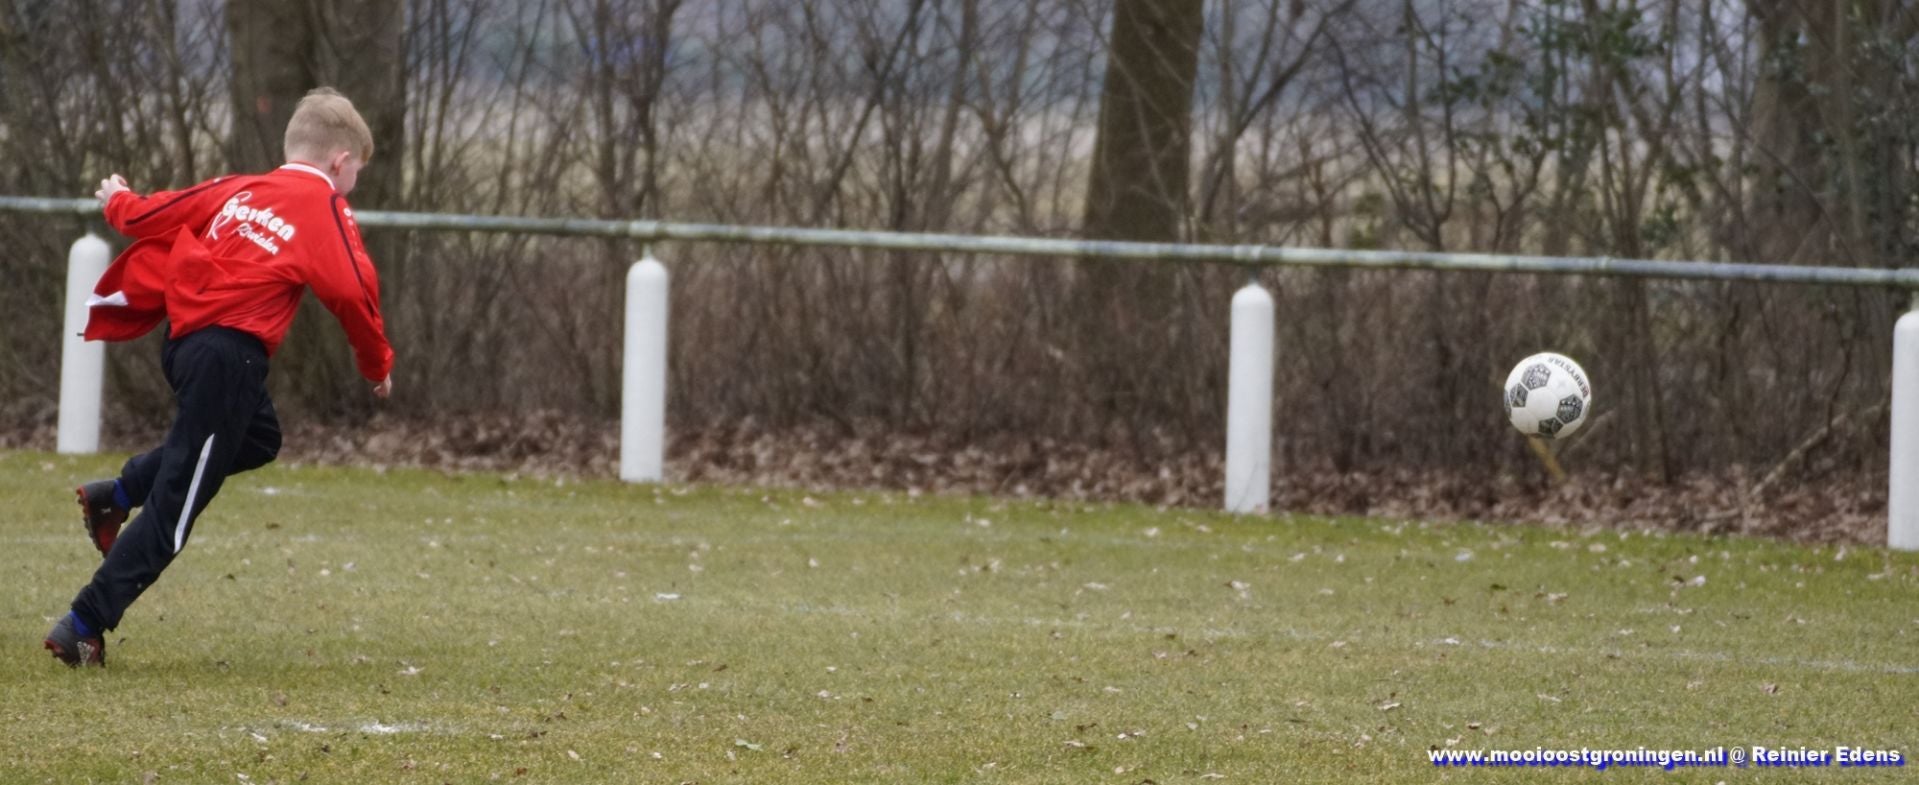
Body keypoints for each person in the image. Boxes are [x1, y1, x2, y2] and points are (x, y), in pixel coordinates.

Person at [45, 87, 395, 667]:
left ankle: (119, 494)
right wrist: (376, 365)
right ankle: (83, 625)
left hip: (184, 345)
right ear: (340, 161)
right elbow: (354, 292)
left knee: (258, 438)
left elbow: (156, 212)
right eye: (356, 169)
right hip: (229, 359)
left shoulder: (241, 188)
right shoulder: (324, 206)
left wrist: (119, 200)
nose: (353, 183)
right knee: (176, 509)